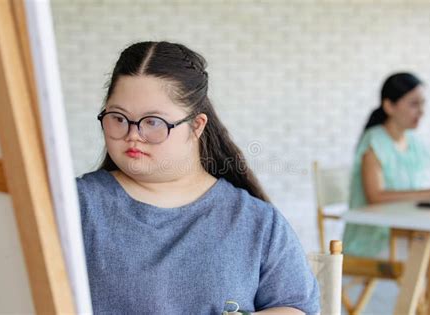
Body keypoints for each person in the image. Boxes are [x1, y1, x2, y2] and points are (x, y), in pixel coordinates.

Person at [76, 41, 320, 314]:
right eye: (119, 118)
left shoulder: (255, 220)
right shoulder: (77, 206)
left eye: (153, 122)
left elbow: (296, 306)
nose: (134, 135)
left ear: (196, 126)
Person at [343, 72, 430, 257]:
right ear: (389, 106)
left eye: (423, 103)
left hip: (406, 231)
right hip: (374, 241)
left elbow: (412, 192)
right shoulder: (374, 141)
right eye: (413, 104)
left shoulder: (414, 143)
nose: (421, 111)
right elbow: (376, 197)